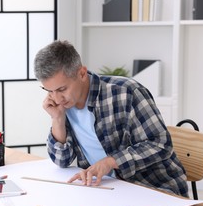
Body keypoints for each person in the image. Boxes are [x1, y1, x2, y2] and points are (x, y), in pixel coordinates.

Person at [33, 40, 188, 197]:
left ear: (81, 73)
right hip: (105, 190)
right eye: (49, 91)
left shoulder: (127, 92)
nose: (57, 99)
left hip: (153, 187)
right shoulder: (63, 105)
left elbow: (161, 145)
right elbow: (62, 160)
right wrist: (57, 119)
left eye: (62, 89)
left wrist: (110, 162)